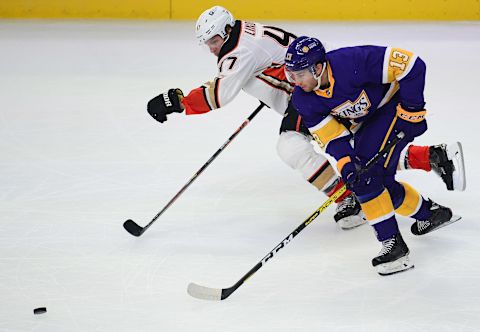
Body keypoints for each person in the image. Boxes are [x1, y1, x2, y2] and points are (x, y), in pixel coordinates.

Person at [146, 6, 465, 231]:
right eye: (209, 44)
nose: (212, 48)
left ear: (226, 31)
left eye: (214, 41)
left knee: (291, 148)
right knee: (362, 149)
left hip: (303, 99)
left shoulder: (238, 52)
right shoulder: (249, 32)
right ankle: (431, 157)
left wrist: (177, 102)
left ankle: (348, 198)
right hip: (307, 92)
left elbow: (218, 95)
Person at [284, 35, 463, 275]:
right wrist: (347, 165)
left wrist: (412, 111)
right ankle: (431, 213)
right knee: (367, 177)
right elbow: (333, 138)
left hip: (393, 108)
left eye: (299, 74)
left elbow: (411, 65)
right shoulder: (303, 99)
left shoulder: (351, 62)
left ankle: (394, 246)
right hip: (365, 126)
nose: (295, 81)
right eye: (290, 75)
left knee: (368, 179)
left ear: (318, 68)